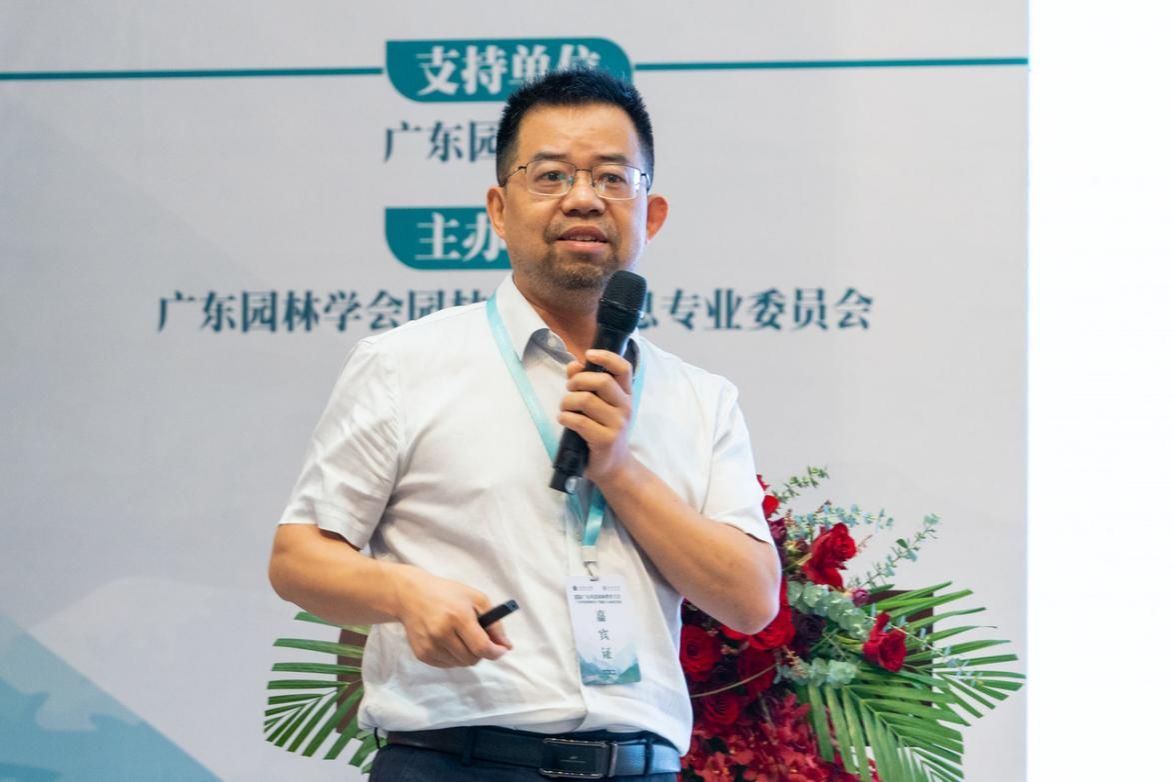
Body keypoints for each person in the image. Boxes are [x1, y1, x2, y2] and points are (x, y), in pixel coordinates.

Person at [268, 68, 781, 781]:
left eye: (612, 178)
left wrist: (620, 470)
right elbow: (298, 558)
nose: (583, 198)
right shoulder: (404, 365)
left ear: (651, 214)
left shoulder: (701, 397)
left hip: (642, 767)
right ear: (499, 209)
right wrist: (407, 593)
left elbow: (751, 599)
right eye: (551, 176)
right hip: (458, 761)